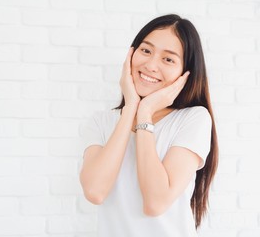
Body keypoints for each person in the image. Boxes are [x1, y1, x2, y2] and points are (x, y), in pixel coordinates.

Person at [79, 14, 219, 237]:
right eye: (146, 51)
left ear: (186, 73)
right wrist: (131, 109)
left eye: (168, 59)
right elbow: (95, 191)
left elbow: (155, 203)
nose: (151, 65)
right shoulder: (102, 121)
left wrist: (144, 114)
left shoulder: (194, 119)